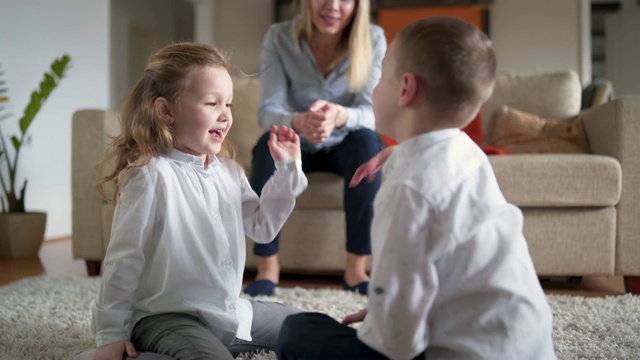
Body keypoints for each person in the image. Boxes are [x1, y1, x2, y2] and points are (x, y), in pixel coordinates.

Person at [276, 17, 557, 360]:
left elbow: (397, 343)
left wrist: (384, 319)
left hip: (465, 353)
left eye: (380, 77)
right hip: (526, 344)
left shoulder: (407, 191)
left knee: (296, 332)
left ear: (406, 89)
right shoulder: (468, 153)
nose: (374, 88)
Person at [73, 42, 308, 360]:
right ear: (166, 111)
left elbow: (263, 228)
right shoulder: (149, 176)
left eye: (229, 105)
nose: (225, 115)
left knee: (310, 329)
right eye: (212, 103)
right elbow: (123, 262)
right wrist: (110, 334)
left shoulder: (230, 173)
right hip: (164, 318)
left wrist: (287, 170)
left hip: (226, 313)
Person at [244, 0, 386, 298]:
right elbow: (267, 112)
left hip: (346, 140)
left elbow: (371, 112)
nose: (333, 6)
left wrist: (339, 116)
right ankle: (268, 267)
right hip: (297, 139)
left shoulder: (372, 38)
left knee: (368, 144)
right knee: (266, 145)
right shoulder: (278, 37)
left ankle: (355, 269)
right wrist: (299, 120)